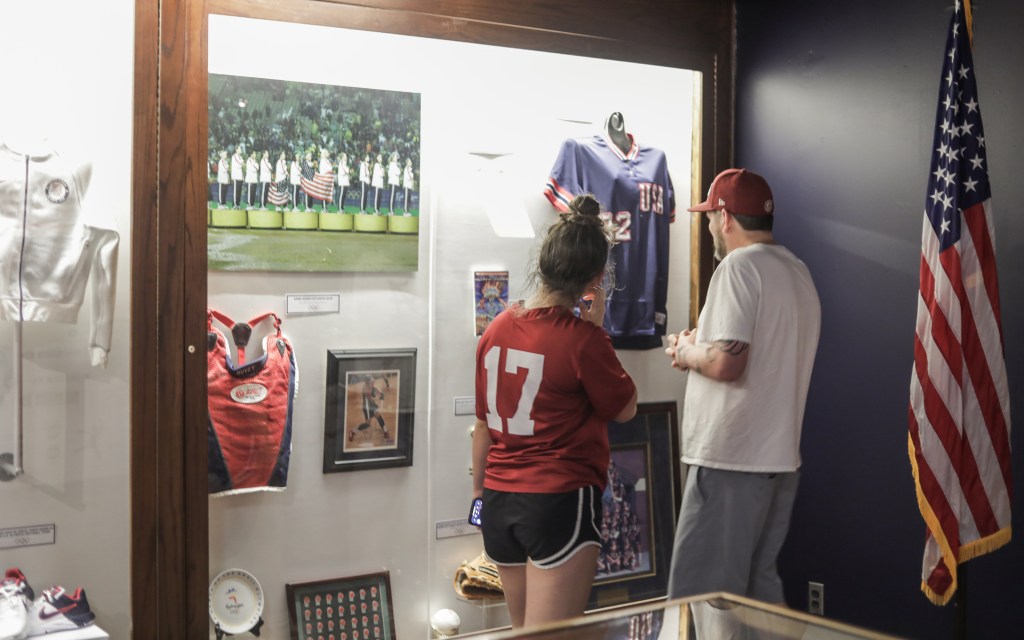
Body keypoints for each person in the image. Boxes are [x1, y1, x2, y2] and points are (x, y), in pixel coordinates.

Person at [472, 193, 638, 629]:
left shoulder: (497, 327)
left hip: (499, 500)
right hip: (557, 501)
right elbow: (625, 409)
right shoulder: (583, 339)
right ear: (595, 279)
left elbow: (482, 427)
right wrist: (597, 330)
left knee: (523, 630)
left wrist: (478, 498)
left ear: (543, 261)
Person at [664, 168, 821, 608]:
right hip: (779, 461)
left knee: (707, 600)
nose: (711, 227)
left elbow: (728, 361)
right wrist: (703, 345)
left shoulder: (738, 266)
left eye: (711, 217)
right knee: (756, 594)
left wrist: (685, 352)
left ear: (725, 215)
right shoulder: (796, 269)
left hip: (731, 459)